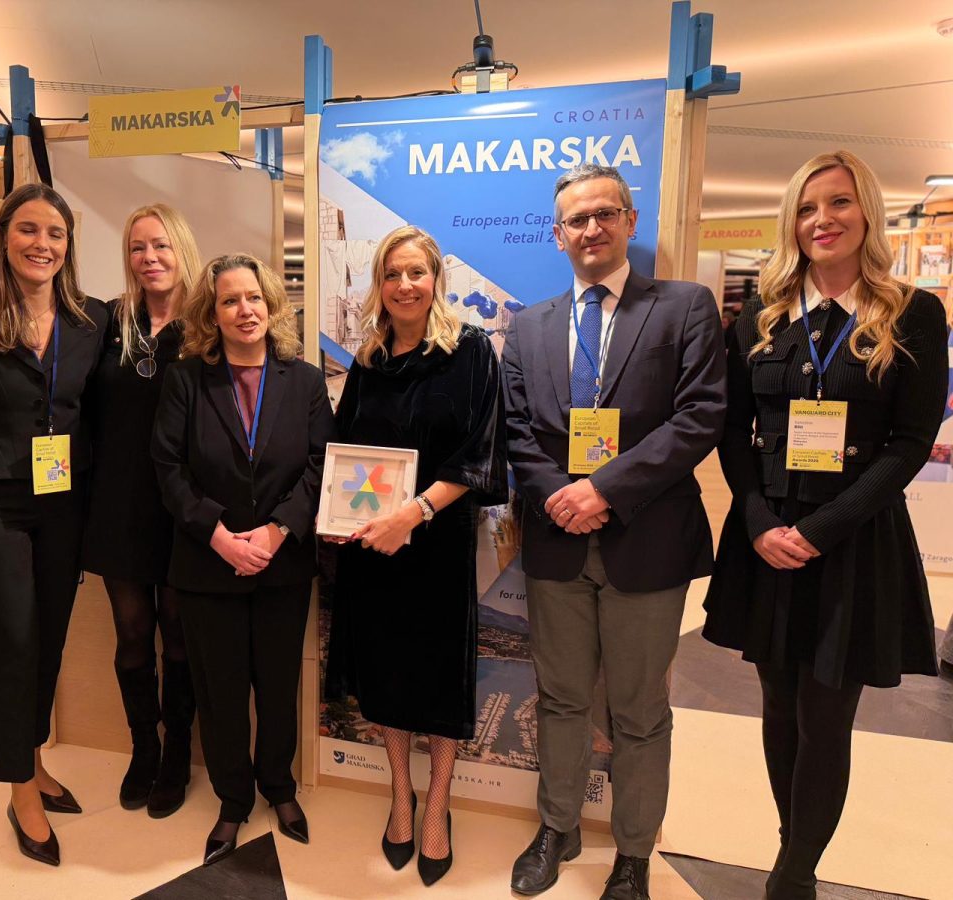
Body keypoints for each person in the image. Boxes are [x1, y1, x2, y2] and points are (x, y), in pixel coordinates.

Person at [702, 150, 948, 899]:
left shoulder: (912, 313)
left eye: (838, 203)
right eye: (807, 209)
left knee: (826, 712)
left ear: (866, 210)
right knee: (779, 704)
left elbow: (910, 443)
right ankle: (794, 846)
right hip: (768, 535)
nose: (822, 220)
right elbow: (731, 431)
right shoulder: (760, 316)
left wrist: (822, 530)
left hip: (853, 540)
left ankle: (794, 875)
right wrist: (756, 521)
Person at [503, 164, 725, 899]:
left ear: (630, 221)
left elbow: (699, 416)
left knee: (638, 711)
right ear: (557, 235)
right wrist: (562, 498)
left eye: (605, 213)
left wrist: (603, 490)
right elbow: (517, 431)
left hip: (648, 542)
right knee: (561, 698)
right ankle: (557, 827)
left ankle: (633, 854)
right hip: (556, 543)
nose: (591, 228)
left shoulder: (684, 307)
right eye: (577, 219)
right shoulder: (528, 326)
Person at [323, 225, 509, 887]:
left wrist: (415, 512)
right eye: (392, 274)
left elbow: (480, 454)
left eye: (416, 273)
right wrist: (340, 516)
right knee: (386, 676)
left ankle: (438, 805)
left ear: (437, 280)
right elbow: (344, 450)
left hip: (437, 545)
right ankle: (401, 794)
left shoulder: (471, 350)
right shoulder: (370, 360)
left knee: (437, 679)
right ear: (379, 284)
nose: (405, 285)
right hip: (375, 549)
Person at [0, 183, 108, 867]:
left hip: (64, 499)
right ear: (3, 236)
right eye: (28, 230)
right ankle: (19, 789)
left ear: (68, 245)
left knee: (50, 638)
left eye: (55, 233)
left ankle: (32, 759)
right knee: (12, 642)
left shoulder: (90, 319)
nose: (42, 244)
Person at [152, 253, 334, 866]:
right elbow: (168, 468)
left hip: (282, 564)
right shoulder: (186, 379)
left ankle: (278, 787)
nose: (244, 310)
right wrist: (220, 536)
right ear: (213, 313)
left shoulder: (303, 381)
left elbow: (321, 465)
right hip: (208, 566)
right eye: (229, 300)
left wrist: (278, 531)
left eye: (253, 297)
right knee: (220, 691)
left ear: (271, 304)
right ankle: (233, 798)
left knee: (279, 686)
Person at [82, 204, 200, 816]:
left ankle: (177, 752)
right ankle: (143, 748)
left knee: (178, 637)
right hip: (119, 503)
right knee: (132, 633)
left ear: (181, 249)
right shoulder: (109, 321)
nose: (149, 257)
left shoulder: (206, 326)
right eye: (137, 247)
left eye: (160, 245)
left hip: (183, 509)